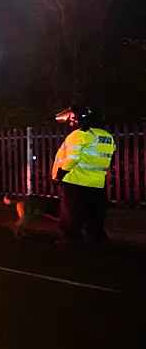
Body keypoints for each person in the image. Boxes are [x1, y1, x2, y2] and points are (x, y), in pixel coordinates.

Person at [51, 105, 116, 246]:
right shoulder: (106, 136)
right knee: (94, 212)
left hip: (75, 180)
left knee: (70, 213)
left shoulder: (78, 135)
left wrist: (61, 174)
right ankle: (96, 237)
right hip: (96, 182)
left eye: (72, 118)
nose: (70, 122)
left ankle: (71, 238)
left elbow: (72, 158)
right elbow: (109, 156)